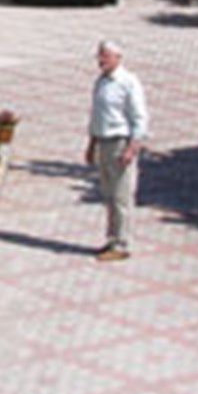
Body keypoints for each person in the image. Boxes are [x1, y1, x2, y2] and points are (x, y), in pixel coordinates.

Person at [85, 39, 148, 262]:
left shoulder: (128, 82)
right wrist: (91, 145)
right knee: (109, 195)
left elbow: (139, 118)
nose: (100, 60)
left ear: (118, 58)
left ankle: (122, 243)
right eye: (99, 55)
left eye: (105, 56)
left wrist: (132, 148)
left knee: (122, 196)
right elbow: (97, 116)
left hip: (120, 144)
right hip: (103, 143)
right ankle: (112, 239)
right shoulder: (101, 82)